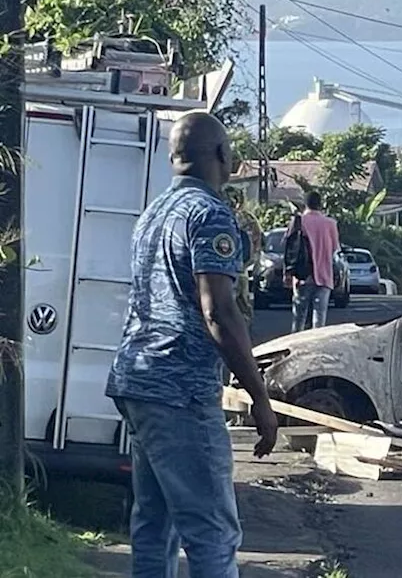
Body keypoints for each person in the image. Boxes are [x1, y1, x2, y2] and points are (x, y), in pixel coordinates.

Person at [106, 111, 278, 578]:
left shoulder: (154, 213)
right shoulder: (210, 214)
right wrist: (260, 399)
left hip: (138, 381)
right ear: (223, 155)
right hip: (179, 389)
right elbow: (218, 311)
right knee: (213, 532)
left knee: (155, 524)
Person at [290, 190, 340, 332]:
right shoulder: (330, 223)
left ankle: (294, 348)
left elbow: (290, 249)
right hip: (324, 275)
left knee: (299, 318)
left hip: (302, 275)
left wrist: (287, 274)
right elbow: (335, 248)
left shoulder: (298, 222)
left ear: (305, 204)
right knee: (319, 318)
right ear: (320, 205)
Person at [222, 186, 263, 326]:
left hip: (220, 272)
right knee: (243, 310)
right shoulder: (248, 218)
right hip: (242, 271)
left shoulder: (217, 215)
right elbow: (257, 244)